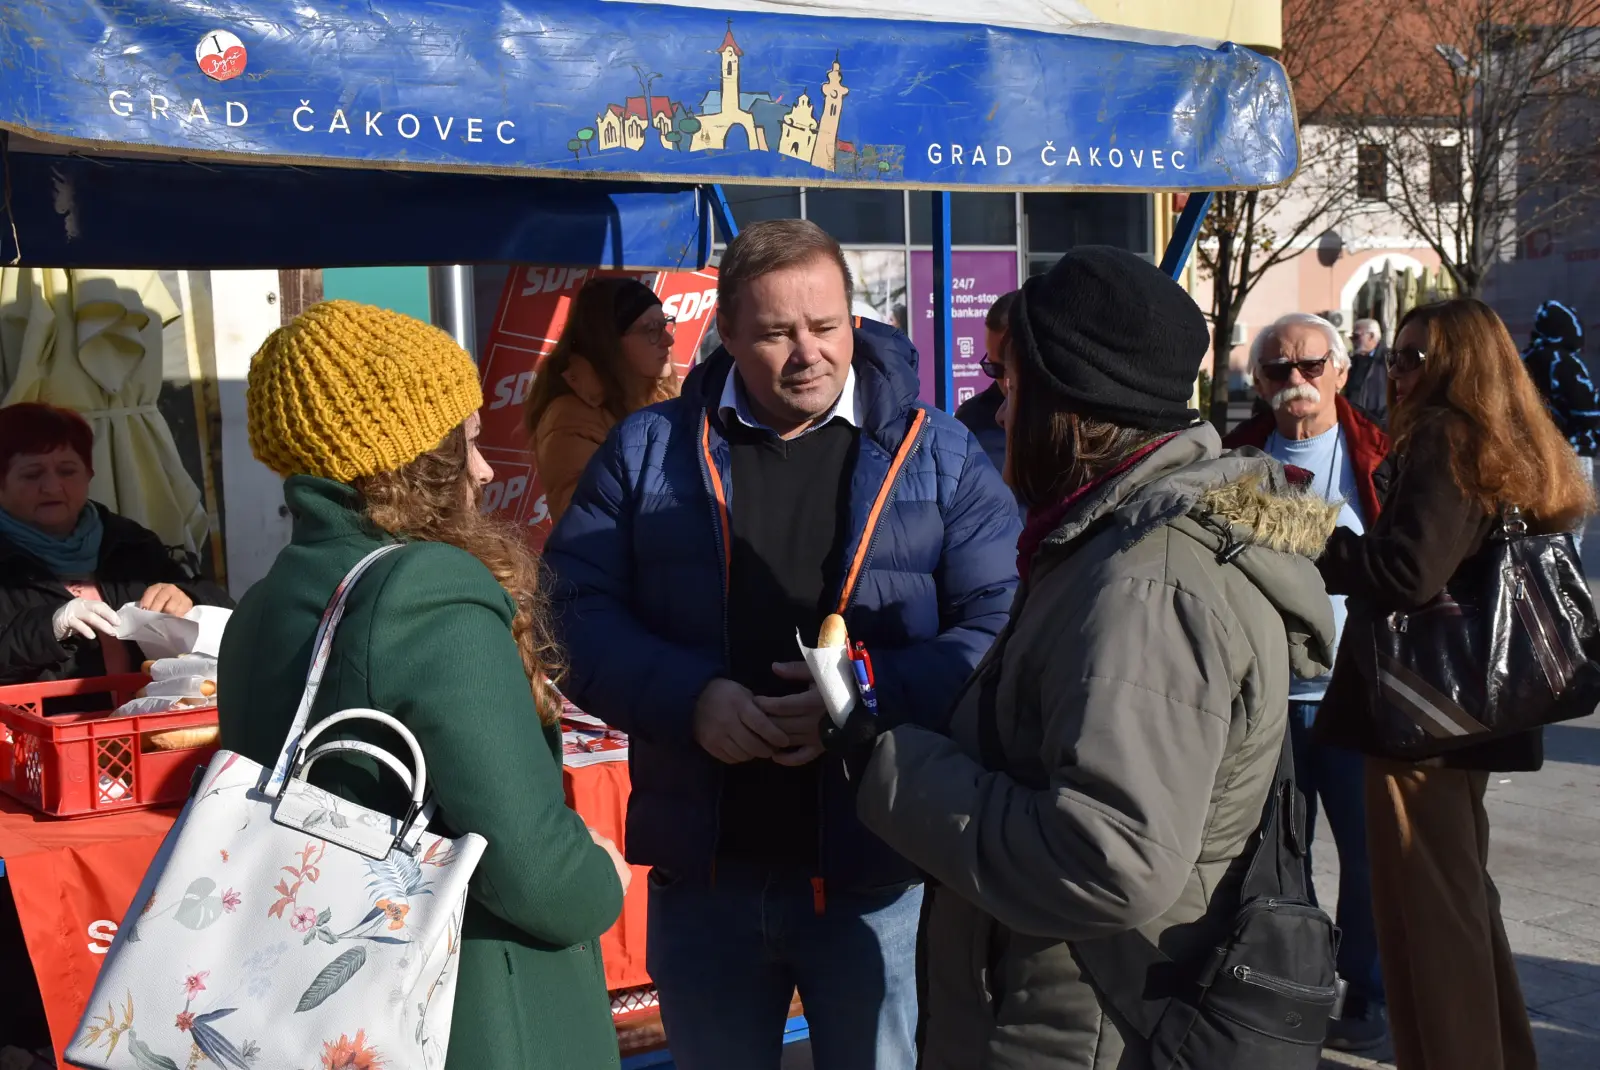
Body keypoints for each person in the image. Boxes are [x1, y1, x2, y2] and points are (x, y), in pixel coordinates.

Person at [542, 219, 1020, 1070]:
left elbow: (1001, 622)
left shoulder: (936, 452)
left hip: (878, 871)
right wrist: (688, 700)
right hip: (706, 876)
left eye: (826, 326)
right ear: (724, 333)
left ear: (855, 320)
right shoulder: (649, 451)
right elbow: (570, 610)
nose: (808, 353)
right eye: (775, 333)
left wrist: (861, 702)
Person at [851, 246, 1338, 1067]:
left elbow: (1109, 859)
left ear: (1070, 410)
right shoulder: (1106, 543)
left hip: (1082, 1025)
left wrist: (889, 767)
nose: (997, 413)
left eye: (1011, 387)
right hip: (1066, 1007)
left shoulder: (1149, 582)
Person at [218, 301, 629, 1070]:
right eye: (466, 444)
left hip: (326, 1008)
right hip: (470, 1017)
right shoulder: (426, 590)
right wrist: (598, 876)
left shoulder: (263, 603)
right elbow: (536, 869)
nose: (484, 470)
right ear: (409, 459)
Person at [1316, 297, 1593, 1070]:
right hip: (1463, 714)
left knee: (1428, 915)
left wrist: (1319, 544)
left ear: (1458, 366)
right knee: (1461, 903)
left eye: (1414, 357)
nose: (1396, 371)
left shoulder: (1445, 437)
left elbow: (1408, 572)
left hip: (1419, 717)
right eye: (1396, 356)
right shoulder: (1503, 437)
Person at [1223, 312, 1391, 1052]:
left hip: (1356, 697)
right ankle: (1295, 981)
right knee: (1277, 857)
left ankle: (1371, 989)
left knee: (1367, 855)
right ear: (1258, 383)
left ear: (1341, 370)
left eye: (1311, 366)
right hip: (1266, 699)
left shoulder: (1381, 456)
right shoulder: (1235, 458)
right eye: (1278, 371)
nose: (1296, 382)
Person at [0, 401, 231, 687]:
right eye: (32, 474)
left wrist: (187, 596)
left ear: (89, 475)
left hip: (145, 721)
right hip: (39, 728)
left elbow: (226, 609)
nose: (52, 486)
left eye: (68, 470)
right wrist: (49, 627)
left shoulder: (129, 541)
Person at [523, 277, 679, 524]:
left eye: (666, 324)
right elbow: (588, 519)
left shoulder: (661, 393)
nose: (667, 340)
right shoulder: (570, 418)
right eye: (651, 330)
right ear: (610, 343)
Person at [954, 290, 1016, 477]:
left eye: (1016, 369)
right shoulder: (971, 420)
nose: (1006, 383)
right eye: (994, 368)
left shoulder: (1080, 425)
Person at [1345, 317, 1389, 425]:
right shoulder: (1353, 361)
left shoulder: (1388, 359)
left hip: (1380, 423)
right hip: (1356, 422)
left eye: (1356, 336)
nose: (1353, 341)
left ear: (1371, 336)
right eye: (1352, 337)